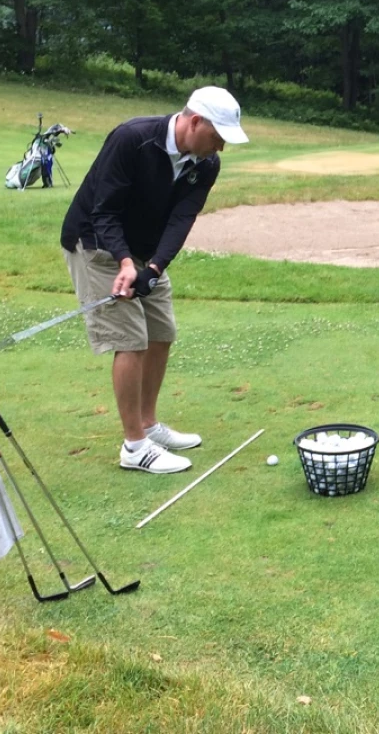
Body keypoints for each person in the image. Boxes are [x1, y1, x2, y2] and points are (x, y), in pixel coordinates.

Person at [60, 87, 248, 474]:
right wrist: (125, 262)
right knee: (130, 338)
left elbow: (182, 219)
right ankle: (134, 446)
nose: (220, 149)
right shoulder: (133, 138)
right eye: (217, 137)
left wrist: (154, 269)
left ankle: (148, 424)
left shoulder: (206, 163)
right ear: (195, 121)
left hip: (144, 251)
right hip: (95, 243)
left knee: (162, 330)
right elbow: (104, 210)